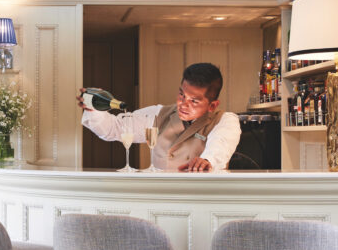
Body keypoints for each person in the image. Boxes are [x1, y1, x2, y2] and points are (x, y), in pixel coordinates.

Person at [79, 62, 240, 172]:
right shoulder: (159, 114)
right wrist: (93, 109)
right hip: (161, 198)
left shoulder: (225, 121)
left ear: (212, 105)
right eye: (181, 95)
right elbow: (114, 129)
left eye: (194, 101)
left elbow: (221, 144)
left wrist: (208, 160)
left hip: (201, 198)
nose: (183, 104)